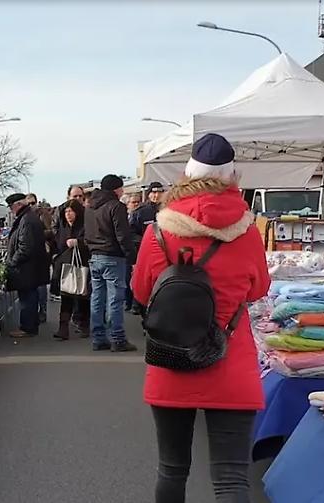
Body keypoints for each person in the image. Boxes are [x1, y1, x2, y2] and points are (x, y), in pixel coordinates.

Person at [131, 133, 270, 503]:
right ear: (232, 178)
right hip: (229, 358)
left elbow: (142, 293)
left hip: (172, 357)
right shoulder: (248, 231)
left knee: (172, 470)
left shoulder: (158, 230)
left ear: (186, 175)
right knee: (231, 478)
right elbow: (258, 290)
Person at [85, 174, 137, 352]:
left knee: (97, 298)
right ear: (116, 189)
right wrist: (132, 257)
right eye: (121, 188)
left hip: (95, 256)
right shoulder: (116, 206)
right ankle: (118, 338)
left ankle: (98, 338)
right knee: (115, 299)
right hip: (113, 257)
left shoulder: (90, 207)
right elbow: (123, 235)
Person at [3, 193, 49, 337]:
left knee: (27, 298)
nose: (11, 210)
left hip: (27, 268)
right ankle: (30, 326)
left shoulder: (27, 220)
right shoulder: (27, 218)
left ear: (18, 205)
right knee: (29, 297)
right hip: (30, 267)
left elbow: (26, 247)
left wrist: (12, 261)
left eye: (11, 207)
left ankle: (27, 328)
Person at [51, 199, 91, 340]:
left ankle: (84, 325)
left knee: (83, 297)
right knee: (66, 297)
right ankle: (63, 328)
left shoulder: (85, 225)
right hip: (64, 267)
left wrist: (78, 242)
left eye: (71, 211)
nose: (68, 214)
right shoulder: (62, 226)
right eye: (66, 211)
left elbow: (90, 241)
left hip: (81, 266)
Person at [127, 182, 164, 315]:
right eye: (153, 192)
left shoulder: (169, 210)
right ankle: (139, 306)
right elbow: (130, 232)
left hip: (165, 253)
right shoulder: (141, 212)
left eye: (159, 192)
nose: (156, 195)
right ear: (148, 194)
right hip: (145, 252)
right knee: (144, 281)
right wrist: (144, 241)